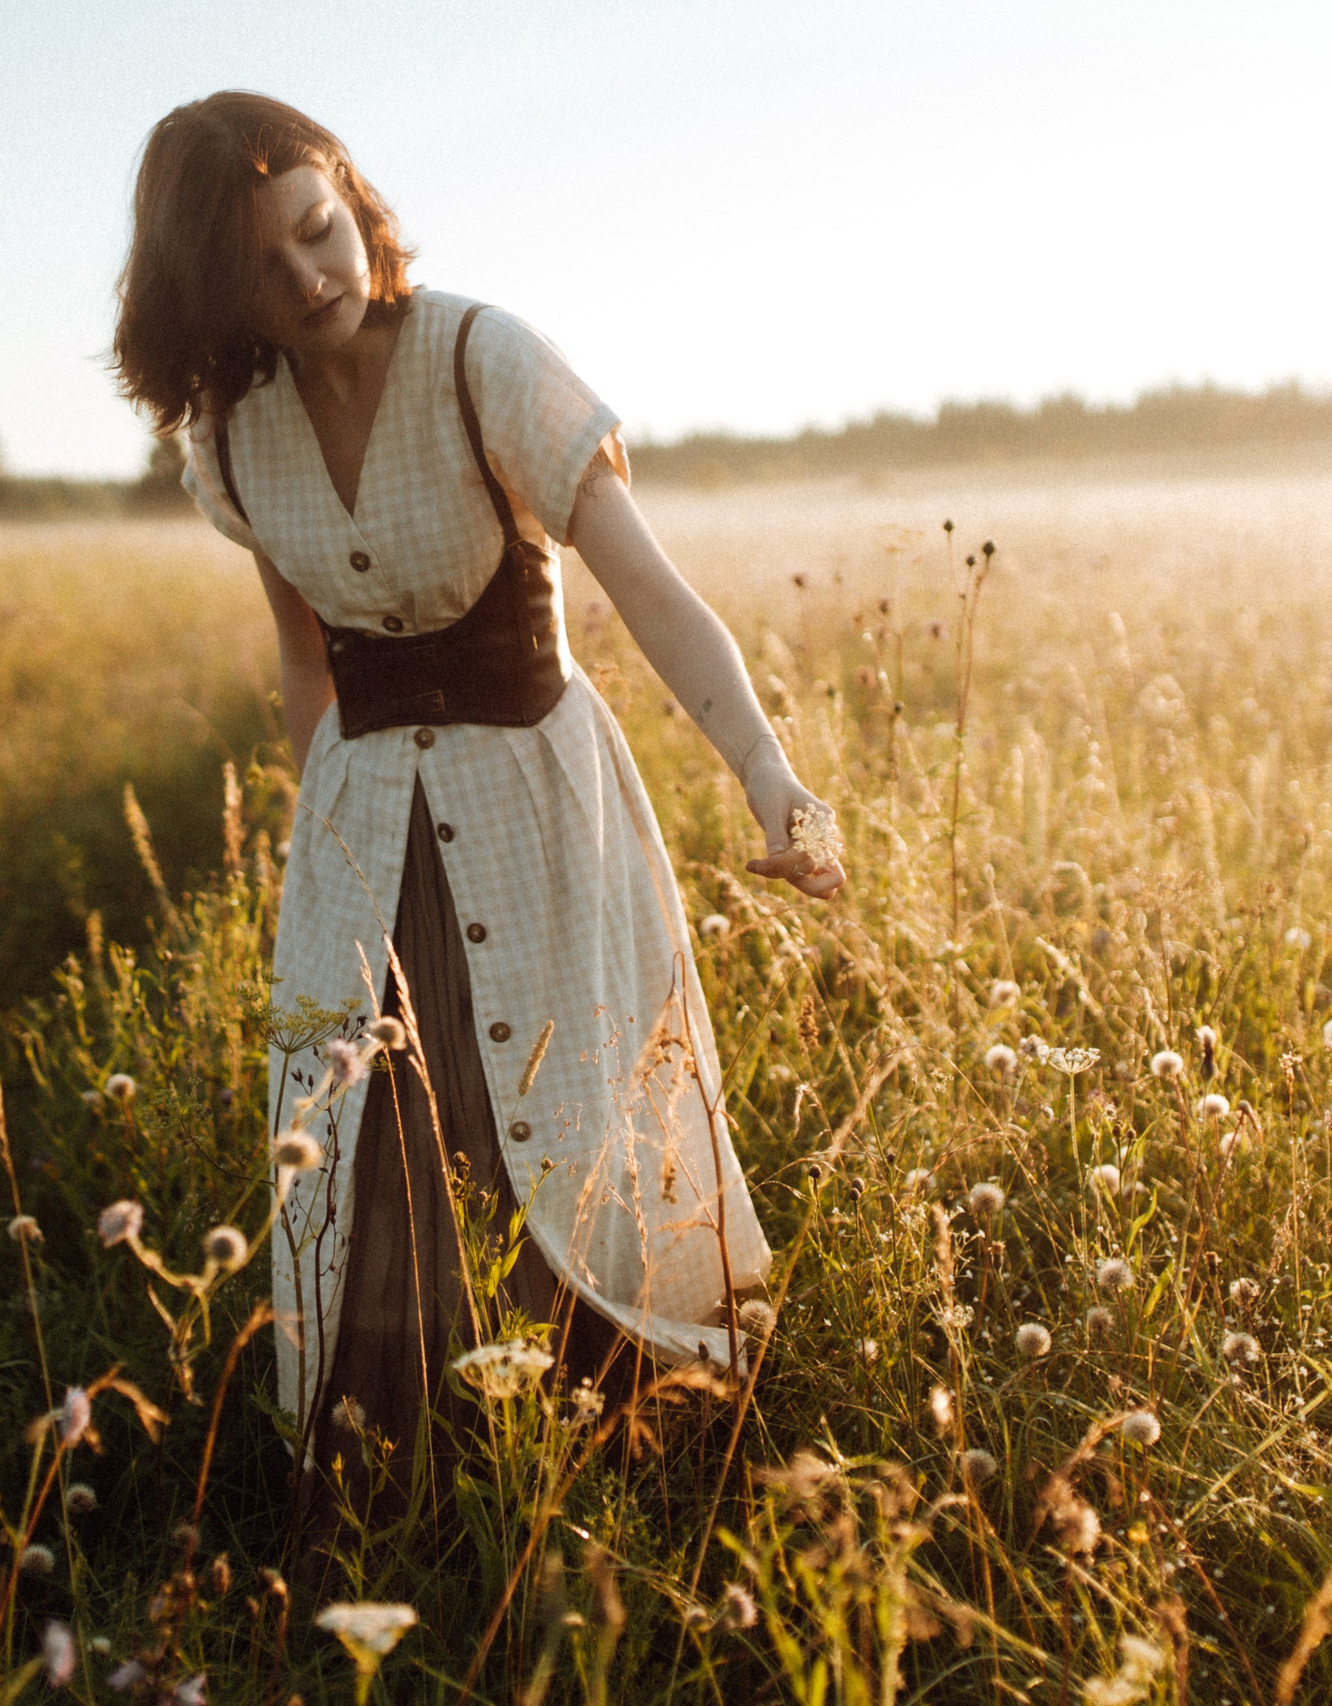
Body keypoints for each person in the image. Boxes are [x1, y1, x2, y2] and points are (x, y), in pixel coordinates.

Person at [111, 91, 843, 1554]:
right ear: (208, 292)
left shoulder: (481, 359)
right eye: (265, 265)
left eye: (321, 230)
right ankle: (422, 1487)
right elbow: (308, 657)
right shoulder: (233, 440)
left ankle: (617, 1446)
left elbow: (645, 586)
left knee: (564, 1124)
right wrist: (320, 861)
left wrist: (771, 773)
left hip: (535, 808)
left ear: (355, 198)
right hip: (364, 835)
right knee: (380, 1147)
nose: (312, 276)